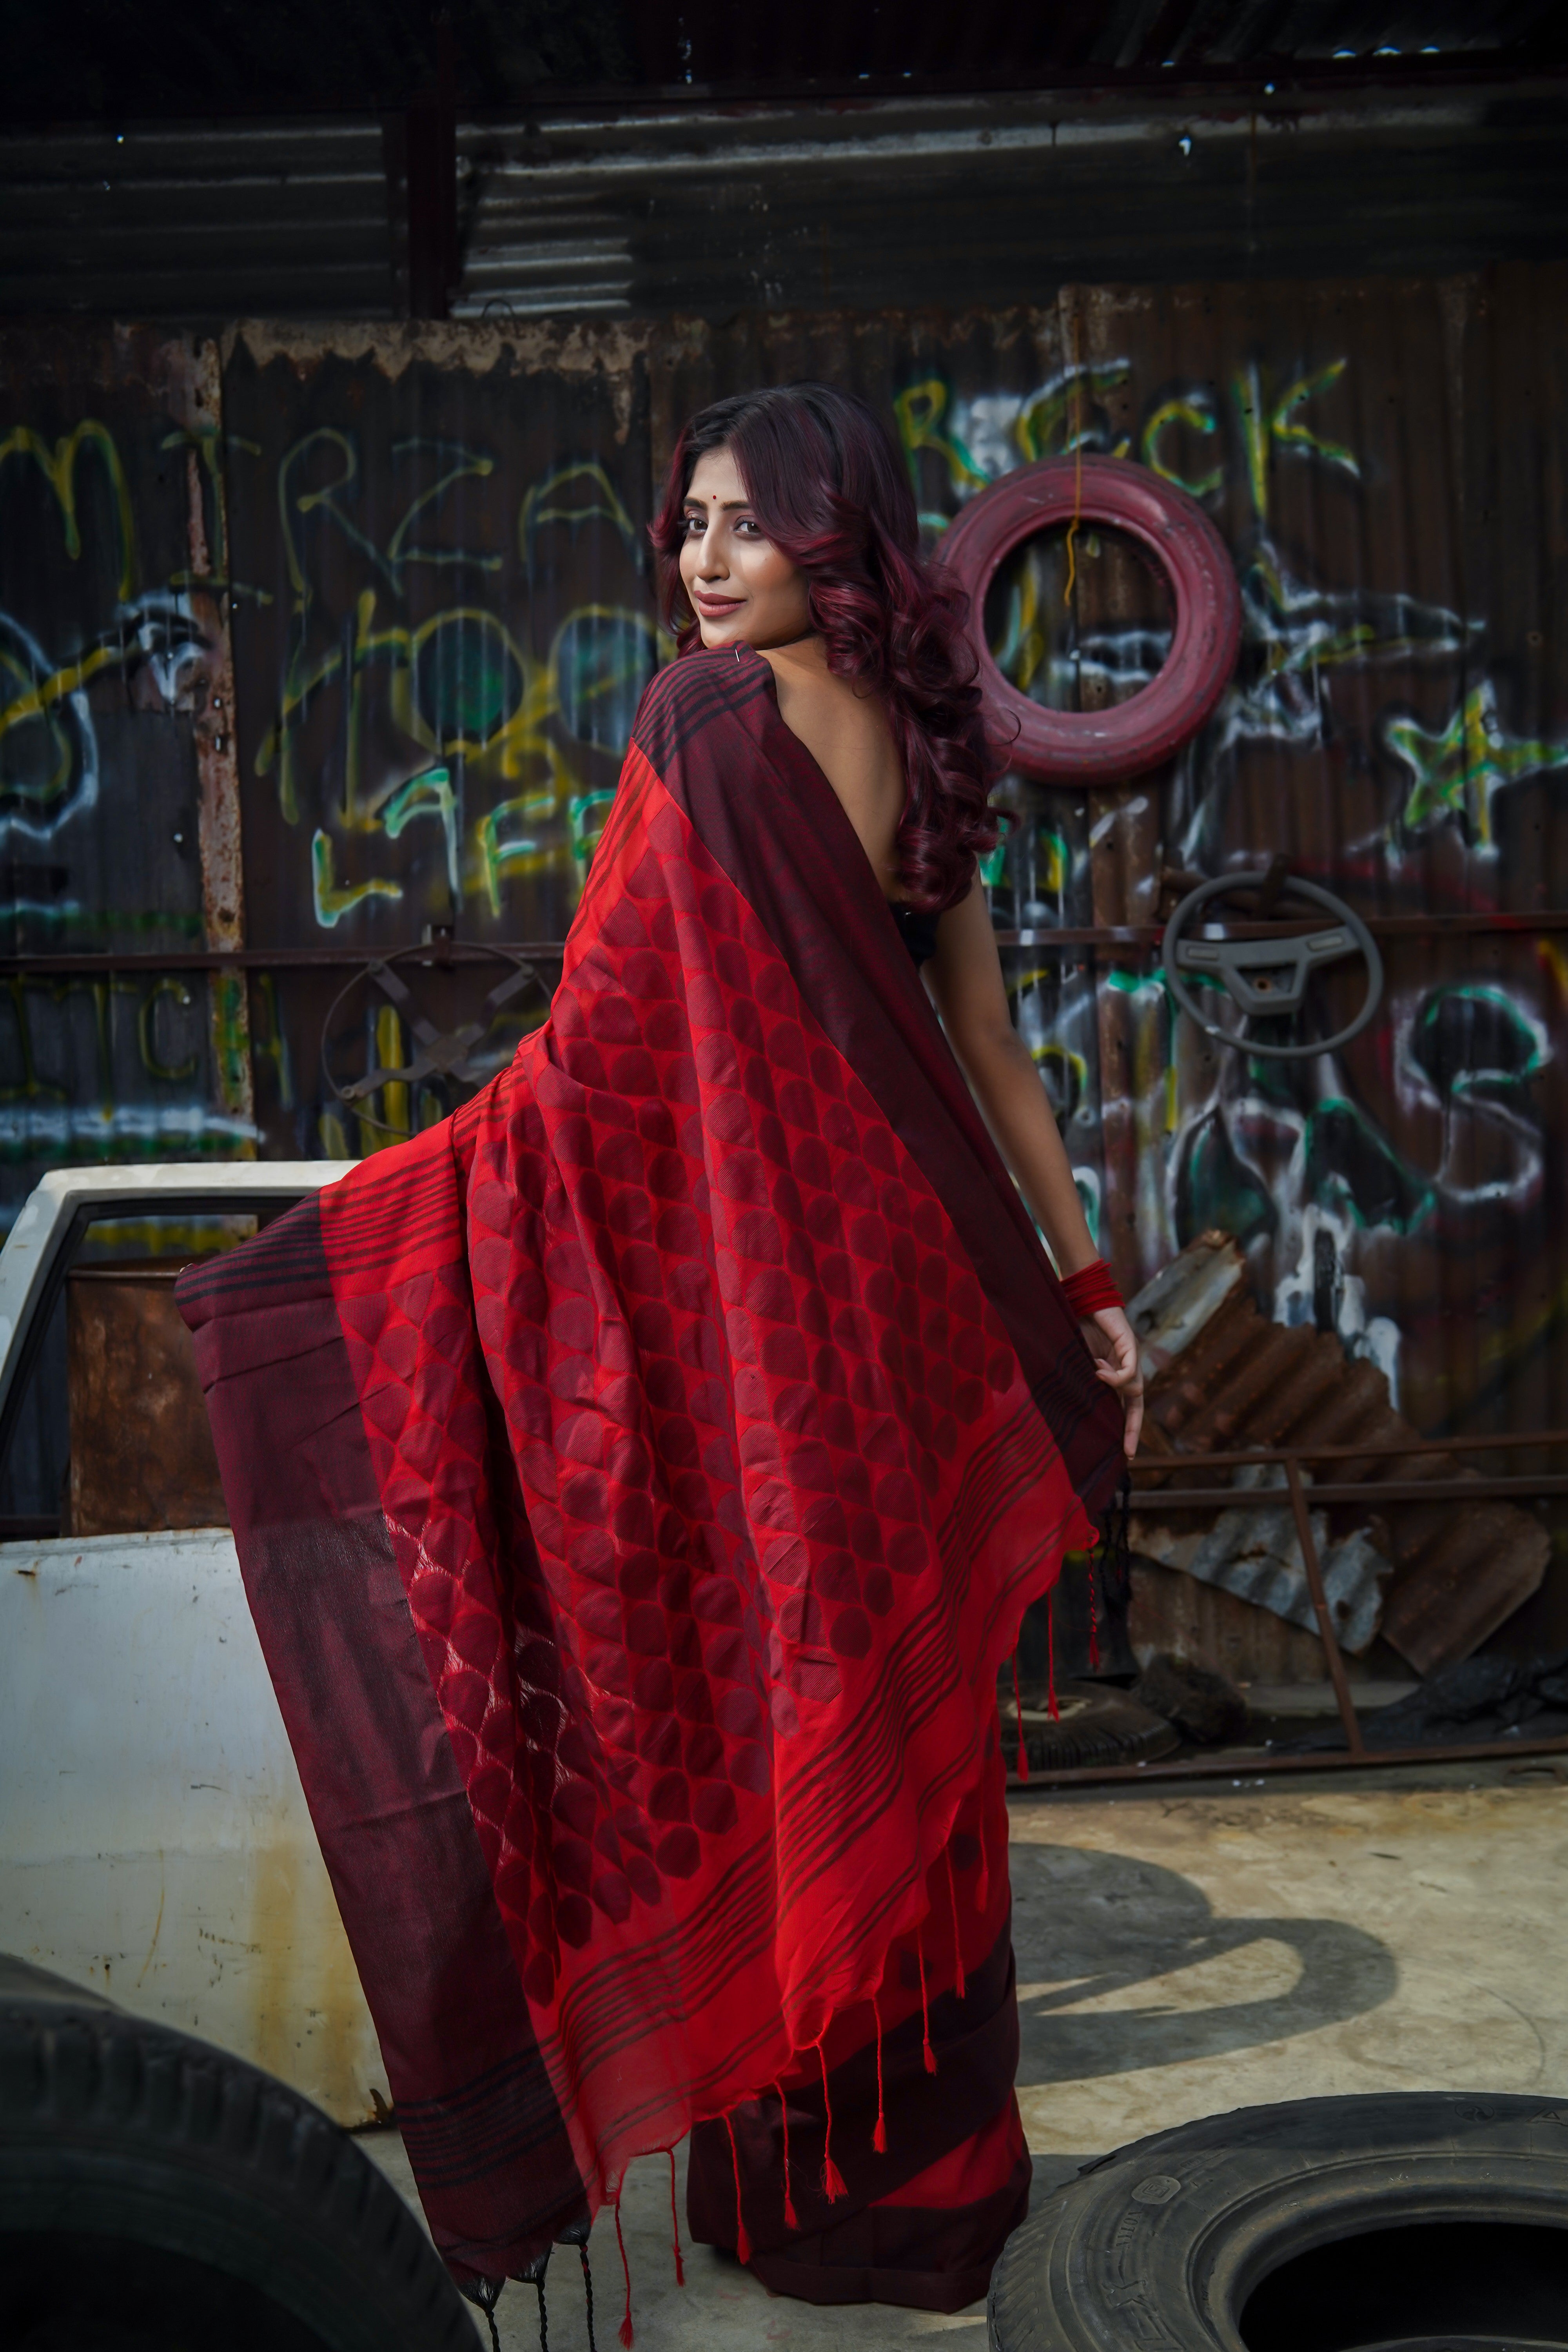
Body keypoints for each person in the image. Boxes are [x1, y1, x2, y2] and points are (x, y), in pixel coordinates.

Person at [178, 383, 1137, 2333]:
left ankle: (809, 2207)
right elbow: (993, 1065)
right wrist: (1089, 1281)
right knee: (912, 1735)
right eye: (686, 525)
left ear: (833, 536)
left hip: (766, 1327)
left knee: (775, 1703)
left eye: (742, 525)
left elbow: (598, 1058)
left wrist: (384, 1229)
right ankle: (929, 2200)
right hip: (917, 1311)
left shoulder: (702, 728)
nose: (700, 563)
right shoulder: (930, 757)